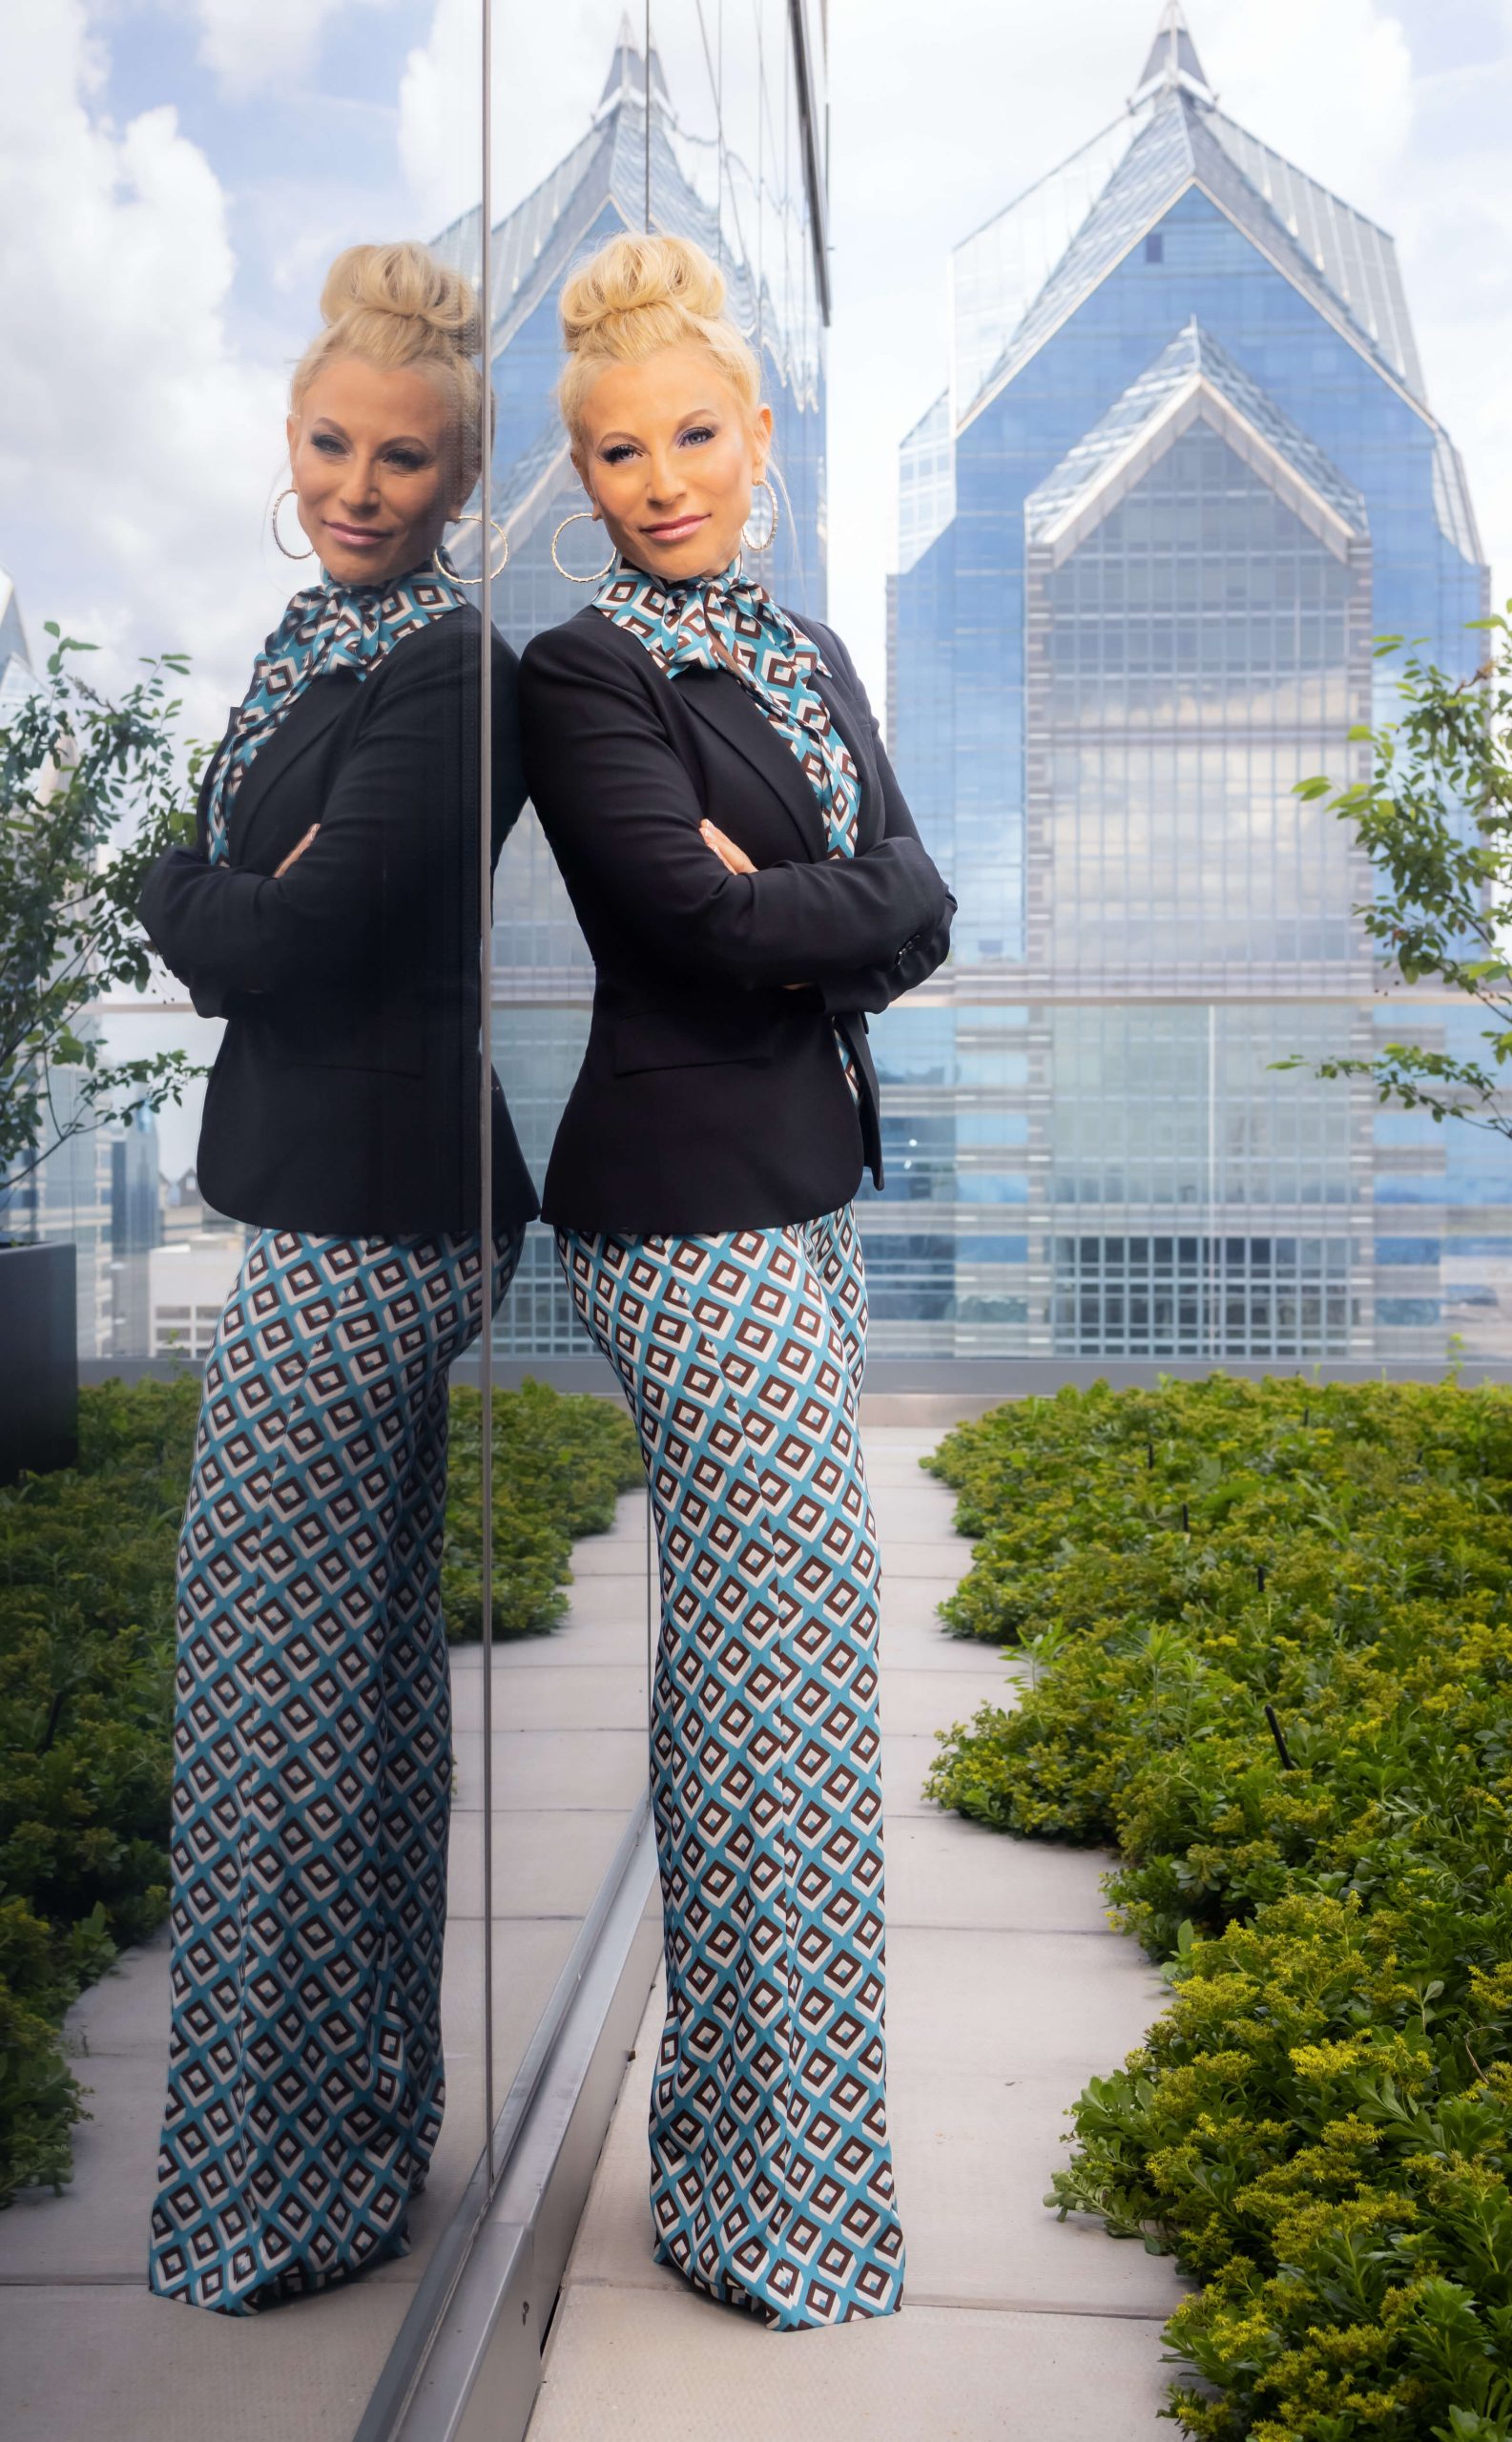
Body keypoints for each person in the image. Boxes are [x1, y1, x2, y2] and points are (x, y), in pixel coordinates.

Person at [519, 231, 954, 2331]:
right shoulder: (581, 671)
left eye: (694, 433)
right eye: (621, 450)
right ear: (583, 473)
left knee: (775, 1666)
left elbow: (922, 900)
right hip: (676, 1206)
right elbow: (690, 938)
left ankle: (744, 2154)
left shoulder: (800, 648)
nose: (662, 475)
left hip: (794, 1189)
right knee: (784, 1675)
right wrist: (817, 904)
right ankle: (768, 2201)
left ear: (754, 437)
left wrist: (800, 896)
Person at [137, 241, 538, 2314]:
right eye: (328, 443)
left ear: (459, 478)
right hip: (336, 1193)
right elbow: (257, 919)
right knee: (345, 1689)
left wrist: (167, 880)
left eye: (403, 460)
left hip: (380, 1216)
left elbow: (271, 947)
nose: (357, 485)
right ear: (287, 439)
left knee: (266, 1703)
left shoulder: (446, 667)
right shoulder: (309, 649)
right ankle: (357, 2135)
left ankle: (283, 2183)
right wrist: (227, 899)